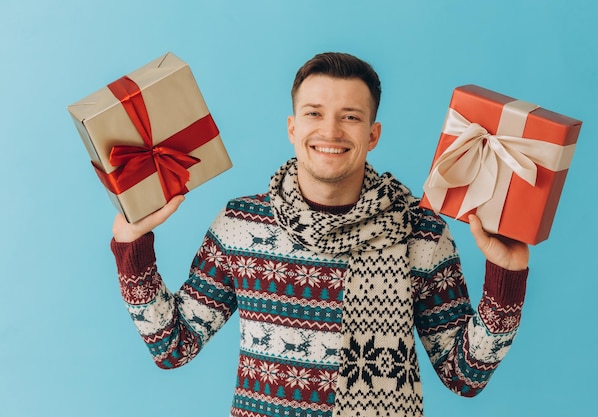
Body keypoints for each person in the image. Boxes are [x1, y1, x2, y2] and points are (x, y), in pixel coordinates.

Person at [111, 52, 529, 417]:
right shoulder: (241, 223)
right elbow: (173, 348)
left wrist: (506, 276)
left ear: (372, 134)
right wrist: (133, 246)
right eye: (314, 113)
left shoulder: (420, 233)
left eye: (350, 116)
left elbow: (463, 376)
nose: (330, 131)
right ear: (293, 128)